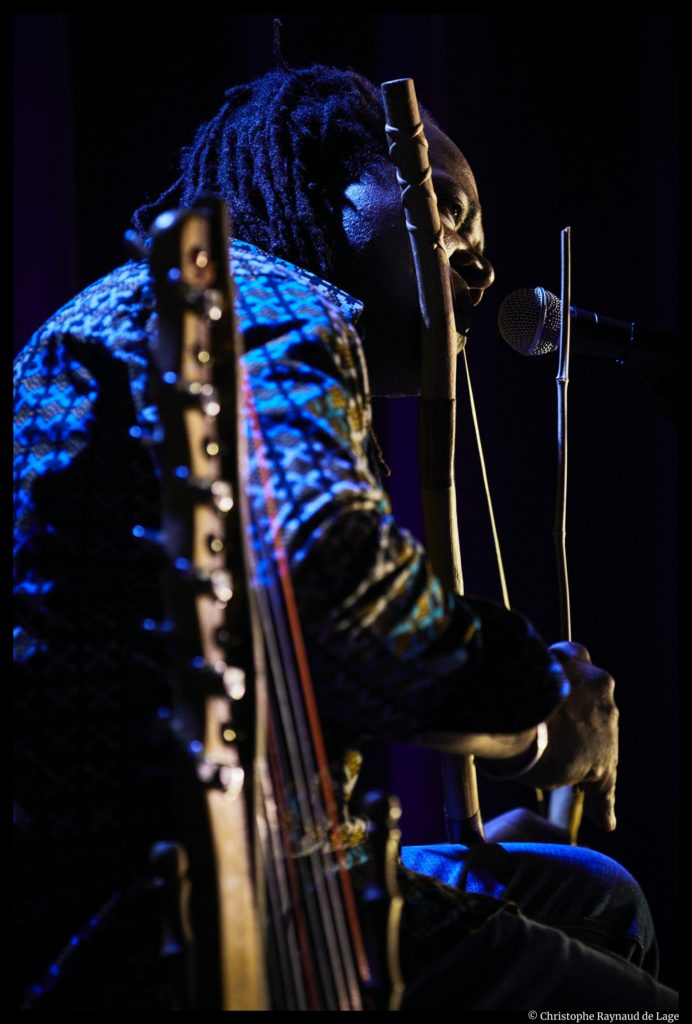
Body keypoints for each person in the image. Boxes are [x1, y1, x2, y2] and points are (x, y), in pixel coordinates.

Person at [13, 59, 677, 1011]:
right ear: (326, 180)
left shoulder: (169, 306)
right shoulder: (264, 299)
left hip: (144, 868)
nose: (480, 264)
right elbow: (332, 576)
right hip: (178, 912)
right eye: (445, 210)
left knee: (598, 898)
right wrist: (536, 711)